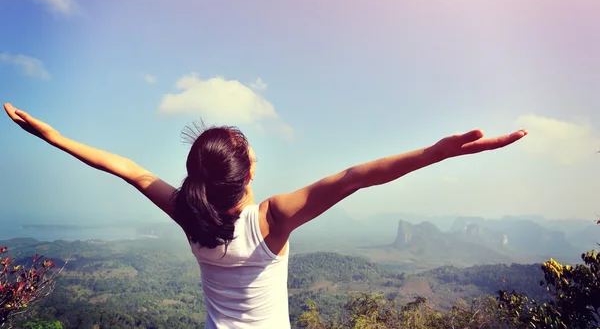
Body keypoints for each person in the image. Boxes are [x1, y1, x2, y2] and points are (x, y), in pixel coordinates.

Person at [3, 102, 527, 328]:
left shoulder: (188, 213)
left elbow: (128, 169)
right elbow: (358, 176)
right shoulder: (272, 219)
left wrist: (50, 136)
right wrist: (438, 152)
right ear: (248, 176)